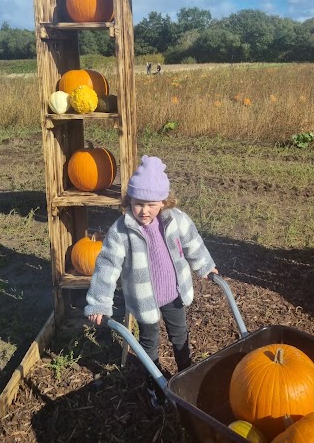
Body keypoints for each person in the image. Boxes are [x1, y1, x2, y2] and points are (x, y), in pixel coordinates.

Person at [85, 155, 218, 411]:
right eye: (138, 204)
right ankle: (154, 383)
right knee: (149, 342)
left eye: (151, 204)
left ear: (163, 202)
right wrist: (100, 301)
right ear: (129, 201)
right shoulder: (122, 231)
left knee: (179, 335)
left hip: (174, 293)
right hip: (144, 300)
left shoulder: (175, 219)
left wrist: (205, 265)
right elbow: (107, 266)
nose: (144, 211)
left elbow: (192, 242)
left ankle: (186, 374)